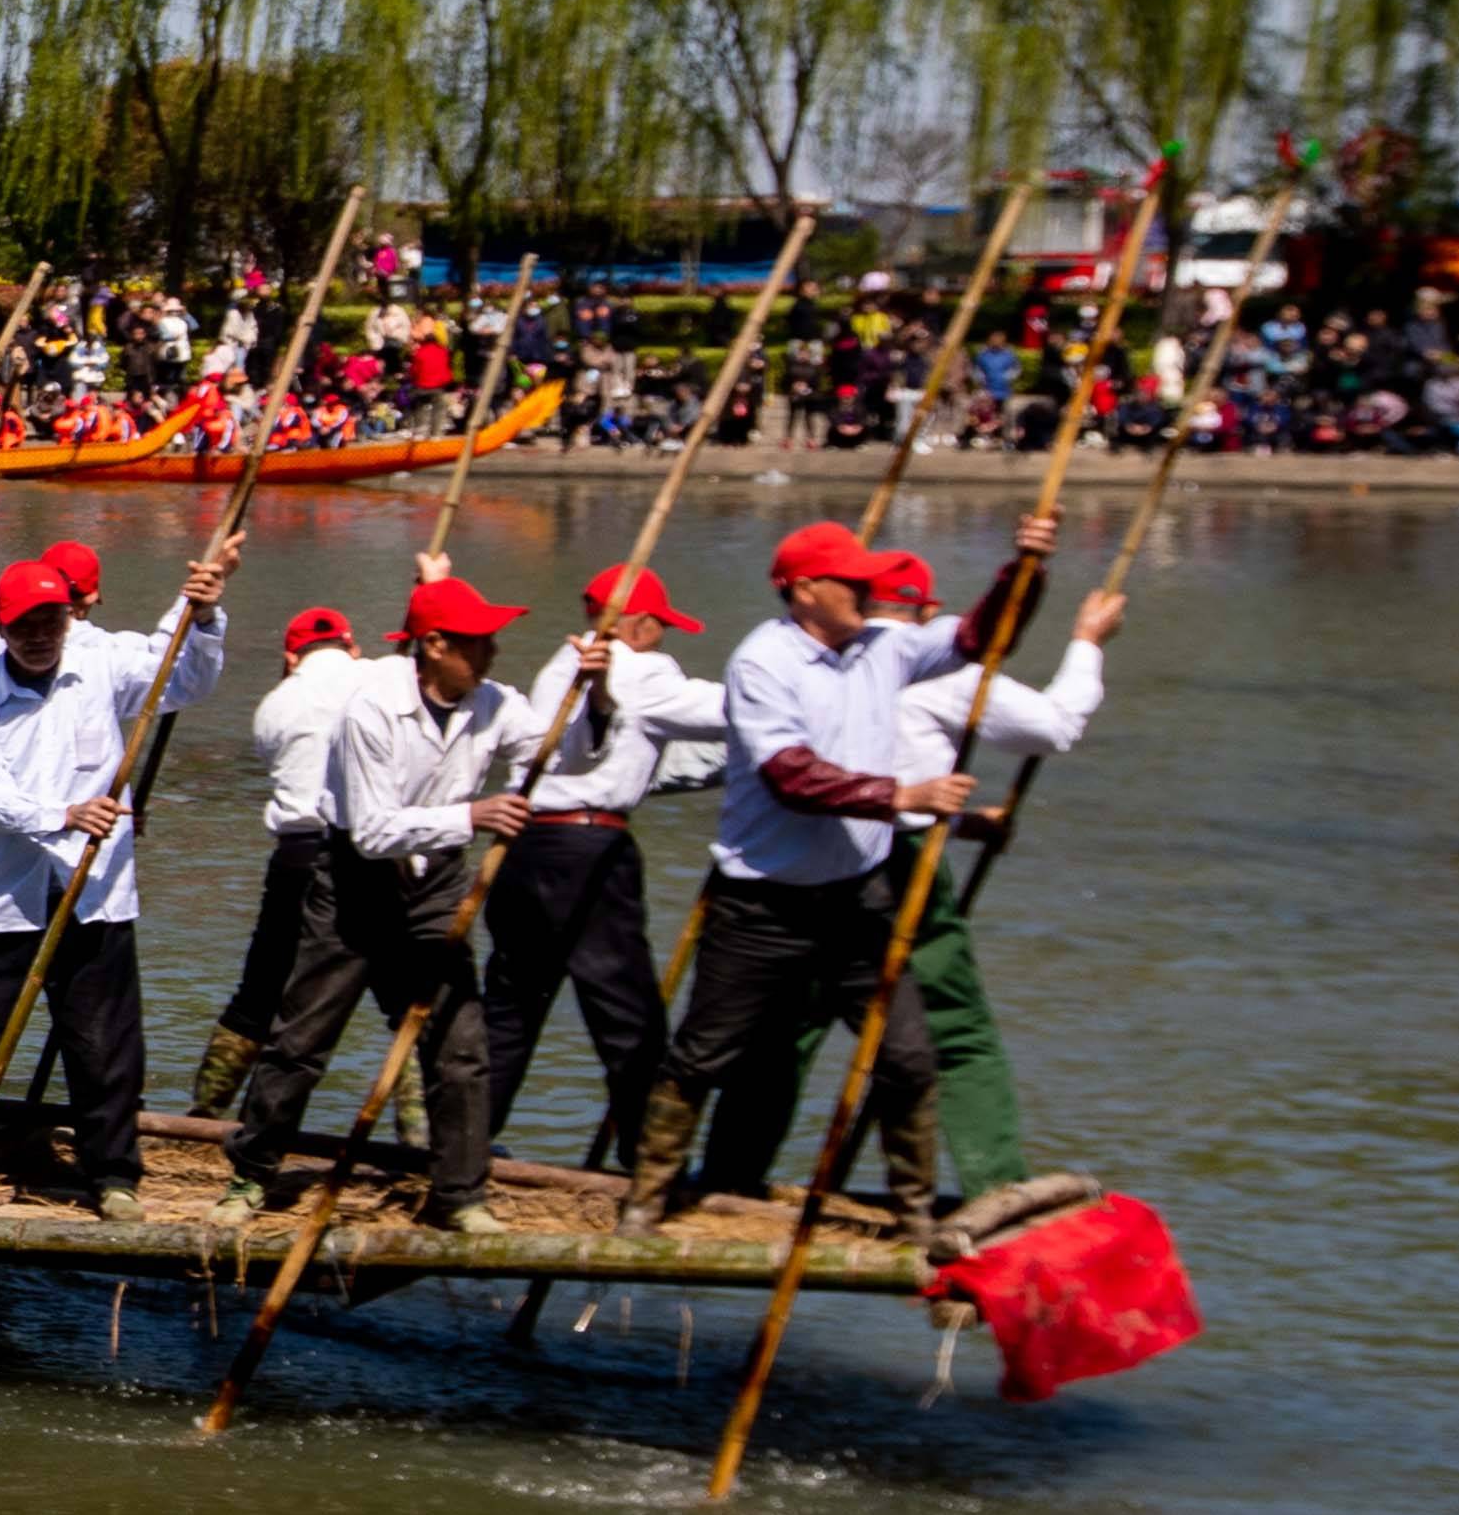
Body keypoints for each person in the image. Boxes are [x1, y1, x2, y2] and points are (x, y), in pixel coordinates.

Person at [626, 512, 1051, 1229]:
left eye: (868, 578)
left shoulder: (885, 644)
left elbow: (983, 638)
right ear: (801, 590)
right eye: (850, 579)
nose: (866, 589)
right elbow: (791, 777)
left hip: (858, 897)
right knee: (702, 1055)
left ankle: (915, 1215)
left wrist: (1023, 570)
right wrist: (900, 796)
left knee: (909, 1057)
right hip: (760, 904)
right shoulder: (763, 661)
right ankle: (645, 1202)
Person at [214, 574, 573, 1231]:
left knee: (459, 1043)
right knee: (302, 1040)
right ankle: (250, 1173)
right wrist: (475, 814)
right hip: (354, 877)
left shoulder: (492, 701)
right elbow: (376, 831)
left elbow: (556, 744)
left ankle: (458, 1192)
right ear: (433, 645)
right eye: (476, 642)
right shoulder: (370, 709)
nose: (490, 652)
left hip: (434, 882)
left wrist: (593, 686)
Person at [0, 538, 235, 1214]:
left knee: (103, 1044)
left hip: (96, 889)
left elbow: (183, 679)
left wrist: (198, 616)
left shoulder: (99, 665)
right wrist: (63, 814)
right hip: (1, 896)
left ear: (68, 620)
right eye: (25, 627)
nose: (40, 638)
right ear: (1, 629)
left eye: (50, 623)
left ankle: (112, 1175)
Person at [473, 562, 731, 1141]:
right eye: (659, 626)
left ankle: (464, 1152)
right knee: (626, 1011)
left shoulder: (556, 667)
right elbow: (736, 710)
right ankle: (647, 1161)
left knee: (509, 1011)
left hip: (523, 844)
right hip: (587, 848)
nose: (662, 638)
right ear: (637, 624)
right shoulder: (644, 668)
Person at [194, 604, 376, 1118]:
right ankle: (419, 1134)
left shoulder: (276, 704)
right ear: (352, 646)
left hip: (297, 854)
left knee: (260, 990)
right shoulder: (381, 679)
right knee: (400, 995)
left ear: (290, 657)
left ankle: (205, 1114)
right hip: (369, 849)